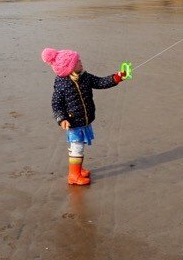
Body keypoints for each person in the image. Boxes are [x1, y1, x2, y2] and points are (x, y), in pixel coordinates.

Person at [42, 48, 129, 185]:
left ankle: (78, 169)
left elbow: (100, 82)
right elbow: (56, 104)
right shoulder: (62, 84)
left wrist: (116, 77)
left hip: (84, 120)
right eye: (77, 61)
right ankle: (73, 175)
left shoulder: (85, 77)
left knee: (79, 147)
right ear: (69, 67)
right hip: (73, 122)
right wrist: (62, 119)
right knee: (77, 148)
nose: (80, 62)